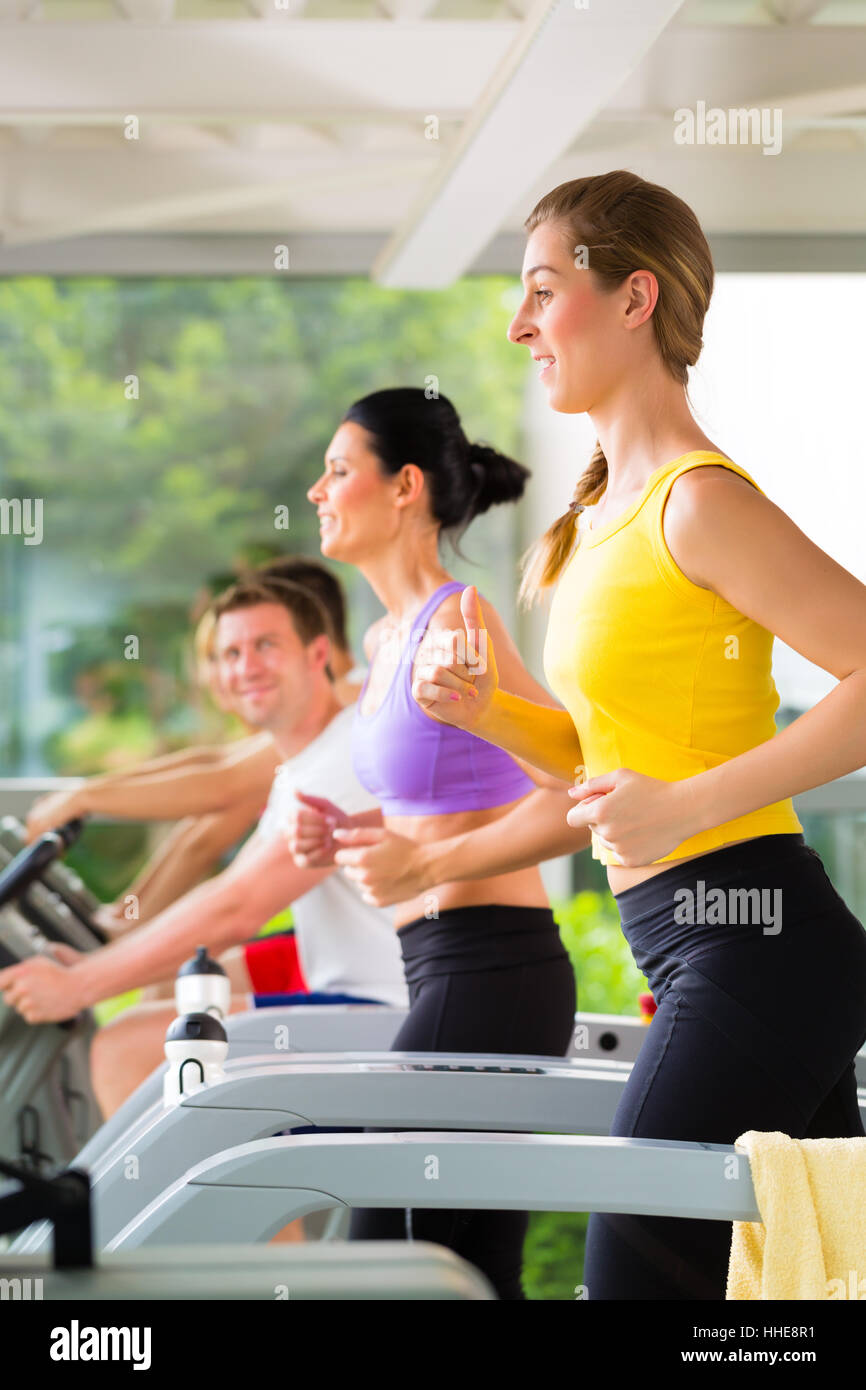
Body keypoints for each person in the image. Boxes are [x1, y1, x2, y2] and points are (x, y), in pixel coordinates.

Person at [395, 169, 866, 1300]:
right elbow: (609, 764)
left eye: (542, 289)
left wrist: (687, 804)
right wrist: (486, 711)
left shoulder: (698, 503)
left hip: (755, 943)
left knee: (633, 1272)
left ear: (632, 298)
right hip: (703, 939)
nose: (518, 325)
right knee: (804, 1285)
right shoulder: (597, 523)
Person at [295, 386, 579, 1300]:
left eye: (339, 470)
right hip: (442, 964)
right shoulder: (387, 639)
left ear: (404, 485)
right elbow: (448, 798)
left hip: (492, 971)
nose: (316, 490)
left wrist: (425, 864)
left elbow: (575, 787)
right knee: (462, 1266)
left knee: (385, 1262)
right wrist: (359, 834)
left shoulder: (463, 623)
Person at [0, 578, 408, 1117]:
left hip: (383, 1014)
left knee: (127, 1047)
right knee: (166, 1008)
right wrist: (102, 956)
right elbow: (226, 879)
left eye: (266, 646)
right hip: (357, 996)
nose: (246, 668)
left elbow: (237, 907)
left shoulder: (342, 757)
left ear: (317, 654)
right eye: (230, 654)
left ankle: (140, 1203)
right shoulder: (301, 766)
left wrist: (79, 985)